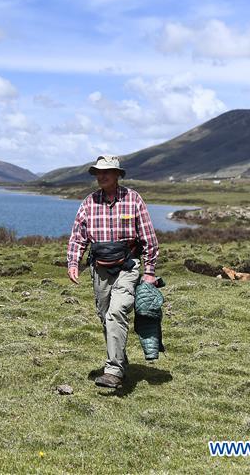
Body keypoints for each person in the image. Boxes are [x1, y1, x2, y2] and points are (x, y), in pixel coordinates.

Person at [66, 155, 159, 388]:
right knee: (104, 316)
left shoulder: (133, 199)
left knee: (116, 312)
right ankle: (120, 359)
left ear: (118, 174)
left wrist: (149, 272)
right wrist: (73, 263)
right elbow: (78, 237)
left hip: (127, 267)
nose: (101, 175)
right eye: (98, 172)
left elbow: (149, 238)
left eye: (107, 171)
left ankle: (113, 371)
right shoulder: (89, 202)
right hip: (99, 270)